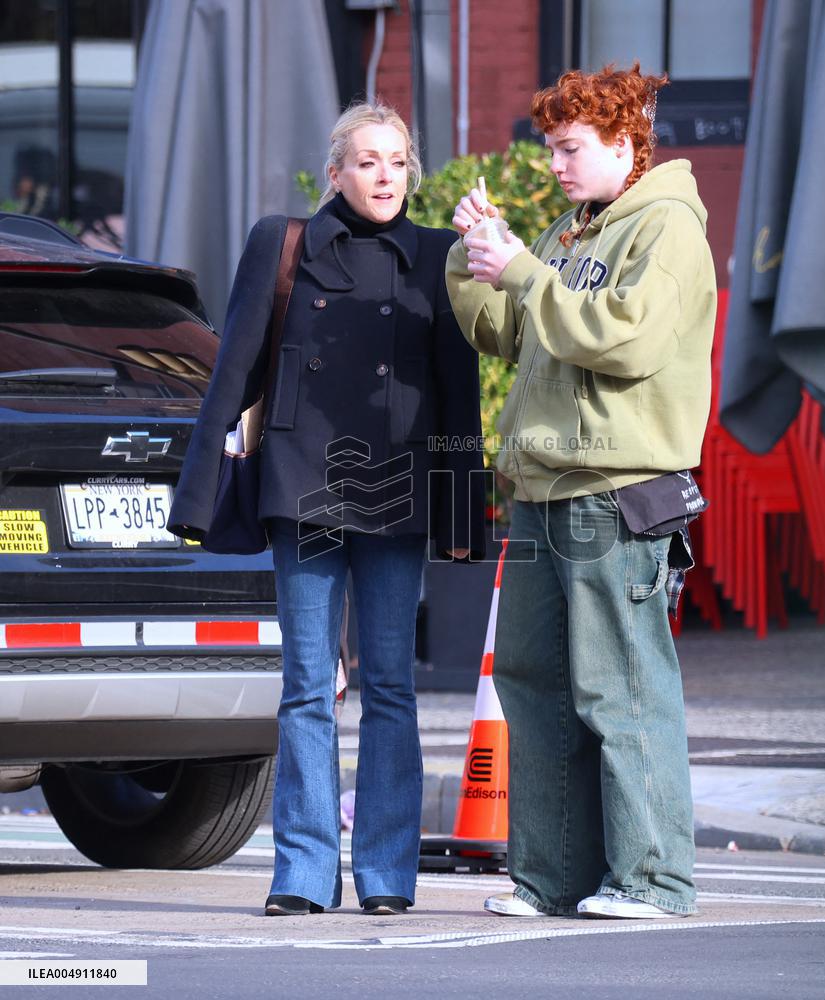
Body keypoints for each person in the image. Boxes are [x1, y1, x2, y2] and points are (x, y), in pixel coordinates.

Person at [168, 102, 485, 917]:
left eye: (398, 161)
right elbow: (233, 367)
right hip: (301, 488)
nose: (386, 176)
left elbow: (459, 397)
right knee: (308, 685)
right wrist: (197, 491)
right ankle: (303, 872)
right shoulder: (284, 244)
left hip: (400, 494)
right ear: (336, 171)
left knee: (390, 686)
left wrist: (461, 514)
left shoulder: (440, 258)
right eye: (368, 161)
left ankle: (385, 872)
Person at [446, 63, 716, 919]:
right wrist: (474, 255)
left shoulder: (667, 227)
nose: (555, 165)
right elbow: (509, 332)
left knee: (621, 686)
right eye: (551, 147)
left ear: (626, 141)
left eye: (570, 148)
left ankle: (654, 881)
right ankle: (552, 876)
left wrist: (524, 270)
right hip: (546, 485)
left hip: (616, 485)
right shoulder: (575, 229)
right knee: (533, 683)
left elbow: (625, 341)